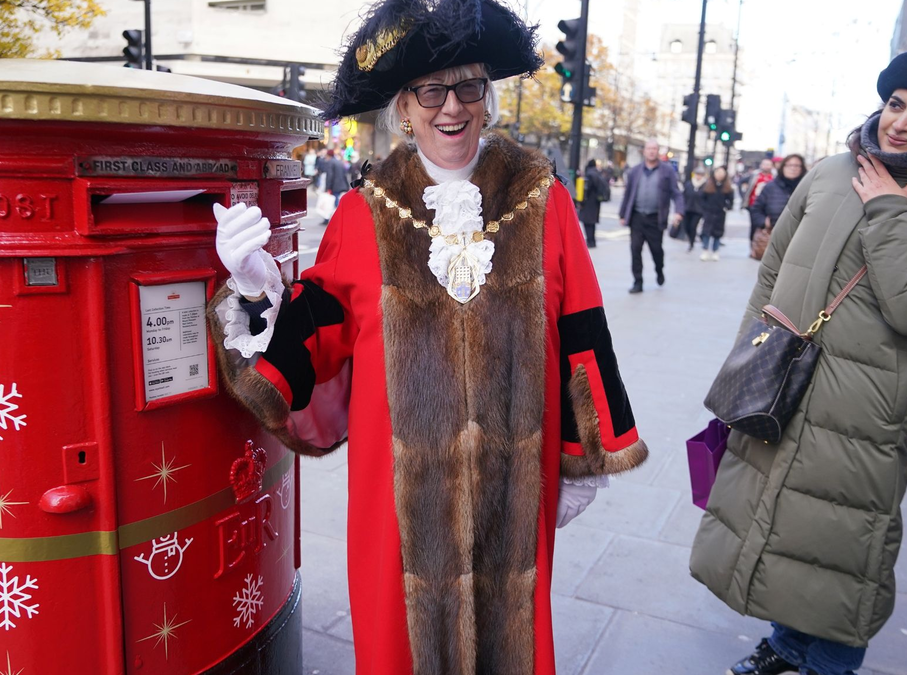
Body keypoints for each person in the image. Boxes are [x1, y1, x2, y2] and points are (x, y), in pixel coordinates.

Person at [207, 1, 648, 672]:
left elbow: (582, 327)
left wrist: (585, 455)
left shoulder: (545, 202)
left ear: (488, 99)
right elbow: (317, 332)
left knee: (513, 643)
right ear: (404, 109)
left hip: (512, 494)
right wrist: (255, 283)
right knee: (398, 648)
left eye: (469, 86)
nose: (452, 107)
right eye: (432, 91)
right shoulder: (362, 213)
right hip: (399, 503)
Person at [691, 48, 907, 675]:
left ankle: (828, 663)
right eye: (896, 104)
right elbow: (773, 271)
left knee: (840, 549)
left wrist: (889, 209)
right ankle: (785, 645)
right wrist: (747, 353)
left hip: (862, 406)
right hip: (779, 380)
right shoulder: (830, 172)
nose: (901, 122)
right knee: (779, 524)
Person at [619, 138, 685, 293]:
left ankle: (659, 270)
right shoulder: (635, 171)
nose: (651, 151)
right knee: (635, 249)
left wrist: (679, 211)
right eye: (649, 148)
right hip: (637, 217)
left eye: (654, 148)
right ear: (644, 151)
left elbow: (676, 193)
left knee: (656, 250)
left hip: (656, 218)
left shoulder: (667, 170)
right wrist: (623, 214)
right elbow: (628, 194)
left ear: (658, 151)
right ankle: (638, 281)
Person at [752, 154, 806, 233]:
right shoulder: (770, 186)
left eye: (797, 165)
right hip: (772, 233)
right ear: (782, 167)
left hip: (799, 235)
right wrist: (764, 222)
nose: (793, 168)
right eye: (789, 165)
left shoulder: (807, 188)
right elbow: (756, 209)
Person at [698, 166, 734, 260]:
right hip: (709, 212)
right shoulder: (708, 185)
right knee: (706, 231)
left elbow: (731, 199)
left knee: (717, 232)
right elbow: (702, 198)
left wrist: (727, 207)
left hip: (720, 213)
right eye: (718, 172)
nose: (719, 175)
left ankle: (715, 250)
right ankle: (705, 250)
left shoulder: (727, 187)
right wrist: (704, 208)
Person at [579, 158, 609, 247]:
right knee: (592, 223)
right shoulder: (597, 173)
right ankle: (592, 241)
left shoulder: (589, 174)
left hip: (588, 202)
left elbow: (587, 189)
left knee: (587, 222)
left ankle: (589, 241)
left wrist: (582, 201)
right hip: (596, 202)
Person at [744, 157, 775, 239]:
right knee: (754, 227)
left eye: (768, 164)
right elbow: (744, 183)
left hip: (768, 206)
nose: (766, 166)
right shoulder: (755, 175)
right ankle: (753, 247)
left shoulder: (774, 177)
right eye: (764, 164)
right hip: (753, 204)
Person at [680, 165, 707, 251]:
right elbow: (683, 196)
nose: (698, 176)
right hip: (687, 208)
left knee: (693, 226)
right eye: (697, 174)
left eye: (700, 175)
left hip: (698, 210)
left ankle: (691, 243)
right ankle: (690, 238)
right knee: (686, 226)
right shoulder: (689, 184)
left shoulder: (705, 186)